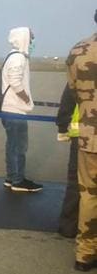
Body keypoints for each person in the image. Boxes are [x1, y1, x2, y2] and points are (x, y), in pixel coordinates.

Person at [66, 10, 97, 272]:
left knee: (88, 195)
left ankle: (85, 253)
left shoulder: (79, 50)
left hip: (90, 136)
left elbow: (74, 91)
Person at [1, 27, 41, 192]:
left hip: (9, 109)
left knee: (12, 146)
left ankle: (11, 177)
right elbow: (16, 82)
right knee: (19, 146)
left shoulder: (13, 56)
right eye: (30, 38)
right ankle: (18, 180)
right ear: (23, 38)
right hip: (15, 109)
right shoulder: (18, 58)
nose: (32, 42)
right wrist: (26, 99)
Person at [56, 84, 80, 238]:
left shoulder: (81, 62)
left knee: (76, 182)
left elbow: (68, 98)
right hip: (84, 133)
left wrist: (63, 126)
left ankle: (69, 226)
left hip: (83, 134)